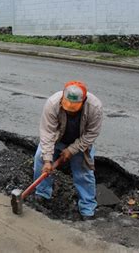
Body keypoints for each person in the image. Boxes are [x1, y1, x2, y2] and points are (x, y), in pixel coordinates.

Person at [33, 81, 103, 220]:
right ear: (62, 99)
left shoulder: (94, 107)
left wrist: (72, 149)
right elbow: (47, 132)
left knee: (84, 173)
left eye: (74, 108)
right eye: (67, 107)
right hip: (57, 140)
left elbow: (91, 134)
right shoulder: (53, 103)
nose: (70, 110)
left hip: (81, 143)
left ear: (83, 101)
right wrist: (47, 159)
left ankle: (87, 209)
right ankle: (42, 194)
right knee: (40, 159)